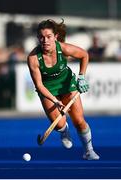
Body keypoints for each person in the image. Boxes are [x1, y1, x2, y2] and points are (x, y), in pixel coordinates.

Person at [27, 19, 99, 160]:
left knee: (79, 121)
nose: (45, 40)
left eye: (48, 37)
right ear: (38, 38)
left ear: (55, 37)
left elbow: (84, 55)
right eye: (41, 37)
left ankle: (88, 151)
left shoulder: (63, 48)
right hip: (48, 89)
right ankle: (64, 131)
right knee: (59, 124)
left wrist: (81, 77)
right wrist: (55, 100)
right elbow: (39, 86)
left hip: (67, 84)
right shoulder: (33, 58)